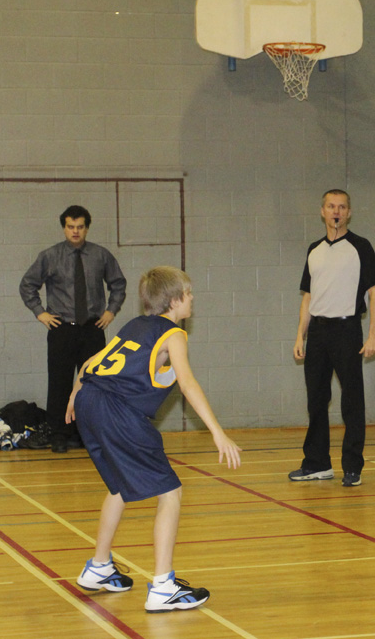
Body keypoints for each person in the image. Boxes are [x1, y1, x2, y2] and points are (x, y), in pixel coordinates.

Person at [67, 266, 242, 613]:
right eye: (189, 293)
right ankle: (163, 587)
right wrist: (217, 432)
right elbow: (188, 384)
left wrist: (75, 396)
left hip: (91, 400)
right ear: (175, 300)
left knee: (119, 486)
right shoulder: (173, 335)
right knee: (170, 491)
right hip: (117, 410)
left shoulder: (135, 327)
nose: (193, 298)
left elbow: (89, 363)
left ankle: (99, 567)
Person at [290, 189, 375, 488]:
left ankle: (352, 467)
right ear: (322, 211)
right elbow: (308, 297)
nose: (336, 211)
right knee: (316, 399)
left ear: (349, 212)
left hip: (347, 330)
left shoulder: (361, 247)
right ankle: (317, 464)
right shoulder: (314, 250)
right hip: (317, 332)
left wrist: (372, 336)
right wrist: (300, 336)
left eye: (342, 207)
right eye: (331, 206)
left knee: (351, 401)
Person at [20, 205, 127, 453]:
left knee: (92, 383)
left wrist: (111, 310)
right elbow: (27, 285)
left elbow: (118, 284)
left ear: (87, 228)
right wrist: (41, 313)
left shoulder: (101, 256)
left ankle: (87, 434)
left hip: (92, 328)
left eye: (80, 227)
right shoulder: (50, 256)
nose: (75, 231)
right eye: (70, 227)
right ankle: (59, 434)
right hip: (61, 328)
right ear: (64, 228)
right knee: (59, 383)